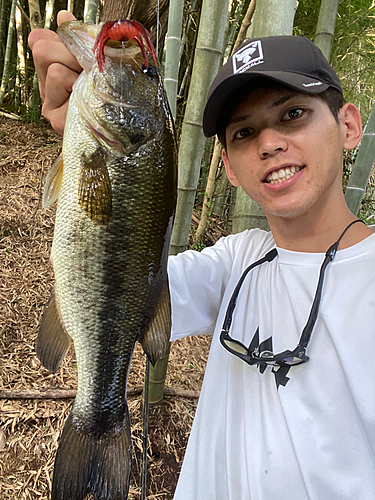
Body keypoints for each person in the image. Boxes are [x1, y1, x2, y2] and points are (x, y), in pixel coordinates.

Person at [29, 12, 375, 499]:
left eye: (293, 114)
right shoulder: (235, 263)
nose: (270, 143)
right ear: (230, 168)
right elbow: (116, 276)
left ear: (349, 126)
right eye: (243, 133)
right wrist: (79, 146)